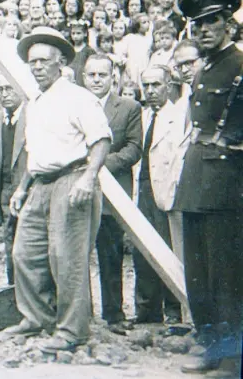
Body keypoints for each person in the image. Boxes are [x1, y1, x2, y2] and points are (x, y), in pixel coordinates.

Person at [4, 27, 112, 353]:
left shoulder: (78, 97)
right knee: (24, 253)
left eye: (42, 61)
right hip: (40, 184)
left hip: (72, 179)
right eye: (31, 62)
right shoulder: (35, 101)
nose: (36, 67)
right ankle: (36, 318)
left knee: (67, 259)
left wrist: (88, 178)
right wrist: (22, 189)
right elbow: (36, 153)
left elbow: (102, 139)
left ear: (61, 62)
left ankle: (71, 330)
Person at [172, 0, 243, 376]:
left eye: (212, 21)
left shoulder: (240, 65)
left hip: (228, 182)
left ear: (228, 23)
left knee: (227, 275)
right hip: (197, 177)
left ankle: (234, 359)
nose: (203, 30)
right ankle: (214, 349)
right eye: (197, 24)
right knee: (199, 274)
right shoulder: (202, 68)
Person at [82, 54, 142, 335]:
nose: (96, 80)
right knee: (78, 255)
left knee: (110, 254)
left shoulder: (128, 107)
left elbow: (133, 147)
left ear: (112, 78)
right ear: (84, 77)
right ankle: (82, 315)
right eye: (91, 75)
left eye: (101, 75)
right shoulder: (75, 105)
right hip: (79, 190)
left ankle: (114, 315)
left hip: (112, 194)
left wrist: (99, 163)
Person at [133, 65, 184, 329]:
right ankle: (146, 309)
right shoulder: (140, 116)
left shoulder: (178, 117)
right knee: (142, 248)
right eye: (147, 86)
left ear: (169, 86)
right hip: (141, 187)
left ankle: (174, 309)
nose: (151, 91)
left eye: (156, 85)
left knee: (168, 247)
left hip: (165, 189)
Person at [0, 74, 27, 284]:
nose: (4, 94)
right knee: (10, 249)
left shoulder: (33, 116)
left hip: (30, 192)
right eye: (0, 90)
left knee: (30, 251)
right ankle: (14, 296)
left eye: (9, 88)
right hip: (5, 193)